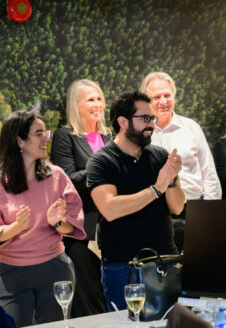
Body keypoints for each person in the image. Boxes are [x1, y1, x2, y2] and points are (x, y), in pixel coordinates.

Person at [86, 91, 185, 311]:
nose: (151, 124)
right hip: (123, 267)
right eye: (145, 119)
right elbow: (110, 209)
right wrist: (156, 188)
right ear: (122, 121)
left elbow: (177, 206)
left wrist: (170, 181)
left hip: (164, 262)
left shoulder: (160, 156)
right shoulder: (102, 161)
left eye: (153, 119)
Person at [0, 110, 85, 327]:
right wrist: (16, 227)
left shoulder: (56, 176)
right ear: (19, 140)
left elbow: (72, 226)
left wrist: (56, 222)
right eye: (39, 133)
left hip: (54, 269)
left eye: (45, 131)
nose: (46, 137)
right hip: (11, 272)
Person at [140, 72, 221, 250]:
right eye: (156, 97)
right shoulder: (140, 134)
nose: (163, 101)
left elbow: (209, 173)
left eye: (167, 95)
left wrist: (210, 212)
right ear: (146, 101)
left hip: (195, 212)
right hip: (155, 214)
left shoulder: (191, 128)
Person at [51, 79, 110, 316]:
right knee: (89, 300)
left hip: (112, 228)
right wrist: (104, 169)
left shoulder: (109, 136)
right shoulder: (64, 135)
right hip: (82, 232)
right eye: (90, 99)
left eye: (99, 98)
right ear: (76, 105)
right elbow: (67, 180)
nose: (97, 104)